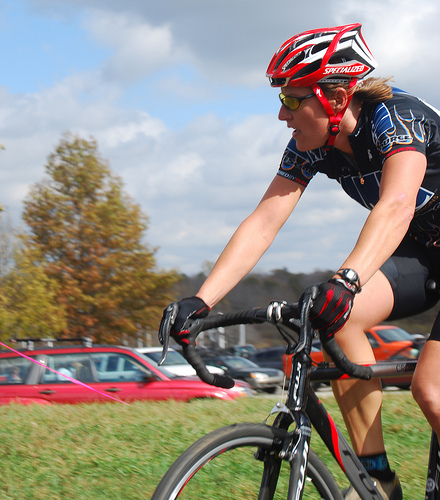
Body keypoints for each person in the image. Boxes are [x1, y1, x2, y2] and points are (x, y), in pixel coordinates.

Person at [160, 23, 440, 499]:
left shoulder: (396, 119)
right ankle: (379, 482)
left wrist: (347, 280)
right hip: (427, 255)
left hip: (416, 238)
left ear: (336, 97)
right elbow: (265, 220)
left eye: (292, 99)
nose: (281, 114)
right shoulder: (315, 146)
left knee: (431, 389)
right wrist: (201, 300)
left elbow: (397, 205)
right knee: (337, 319)